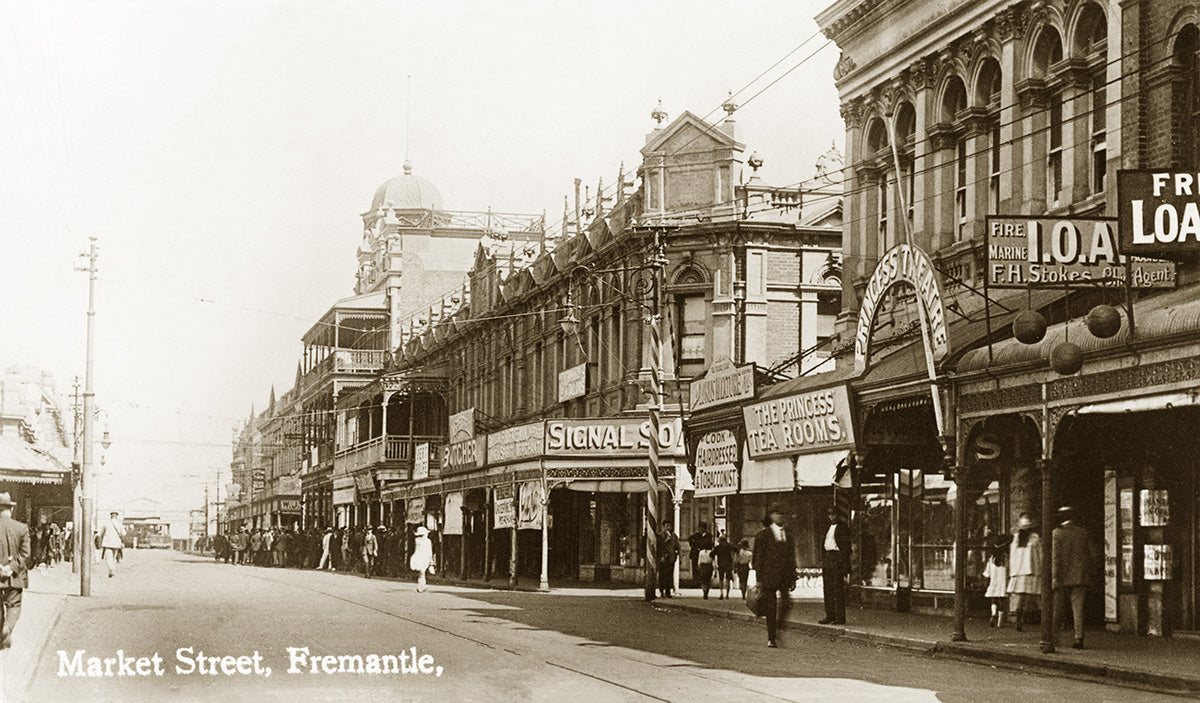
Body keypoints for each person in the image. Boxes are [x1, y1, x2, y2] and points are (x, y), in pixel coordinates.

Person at [753, 503, 797, 648]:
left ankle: (779, 626)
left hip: (784, 577)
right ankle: (771, 637)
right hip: (768, 578)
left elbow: (791, 558)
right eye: (777, 513)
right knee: (771, 608)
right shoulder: (763, 535)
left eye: (782, 514)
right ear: (771, 515)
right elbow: (758, 559)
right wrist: (759, 580)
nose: (780, 516)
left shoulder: (788, 535)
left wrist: (793, 577)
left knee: (788, 602)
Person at [1052, 505, 1096, 649]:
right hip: (1080, 576)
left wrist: (1054, 576)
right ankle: (1079, 638)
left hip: (1061, 577)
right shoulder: (1083, 532)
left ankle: (1054, 638)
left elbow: (1055, 557)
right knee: (1078, 608)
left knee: (1058, 608)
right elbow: (1092, 554)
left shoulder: (1057, 534)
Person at [0, 493, 30, 649]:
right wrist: (10, 569)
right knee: (14, 605)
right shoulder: (21, 527)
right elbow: (26, 554)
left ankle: (1, 633)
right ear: (10, 509)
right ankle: (7, 629)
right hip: (15, 577)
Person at [1007, 512, 1042, 631]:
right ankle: (1046, 621)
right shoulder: (1035, 538)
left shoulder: (1016, 539)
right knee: (1039, 597)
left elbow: (1013, 556)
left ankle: (1019, 620)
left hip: (1019, 572)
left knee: (1021, 599)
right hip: (1033, 570)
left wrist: (1013, 572)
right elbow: (1040, 555)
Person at [819, 506, 851, 625]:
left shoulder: (843, 528)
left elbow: (846, 547)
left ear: (838, 515)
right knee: (828, 589)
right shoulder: (827, 527)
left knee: (838, 590)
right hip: (828, 559)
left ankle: (840, 617)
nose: (832, 516)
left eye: (834, 514)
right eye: (830, 514)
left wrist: (842, 562)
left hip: (837, 558)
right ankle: (829, 615)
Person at [984, 534, 1010, 627]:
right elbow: (1009, 571)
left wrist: (987, 581)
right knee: (1002, 601)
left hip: (994, 582)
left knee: (994, 600)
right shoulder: (1006, 558)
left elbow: (987, 573)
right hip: (1004, 583)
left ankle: (993, 613)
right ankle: (1000, 622)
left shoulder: (992, 558)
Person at [686, 522, 714, 592]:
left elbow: (710, 544)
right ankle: (696, 582)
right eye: (699, 528)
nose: (699, 529)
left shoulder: (709, 536)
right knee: (695, 568)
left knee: (703, 571)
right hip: (695, 555)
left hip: (704, 555)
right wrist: (692, 546)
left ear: (704, 529)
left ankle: (703, 583)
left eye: (701, 528)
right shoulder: (696, 535)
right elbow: (689, 539)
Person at [98, 511, 125, 578]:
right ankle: (112, 570)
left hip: (107, 543)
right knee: (114, 557)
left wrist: (101, 538)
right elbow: (124, 533)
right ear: (116, 516)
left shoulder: (106, 523)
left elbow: (101, 533)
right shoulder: (119, 523)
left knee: (109, 557)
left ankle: (111, 569)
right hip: (116, 543)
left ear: (111, 516)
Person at [656, 526, 679, 598]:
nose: (668, 528)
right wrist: (666, 540)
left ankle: (668, 592)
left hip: (671, 558)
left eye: (670, 526)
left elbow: (677, 545)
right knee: (662, 575)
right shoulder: (660, 536)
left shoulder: (674, 536)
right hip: (663, 558)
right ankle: (661, 590)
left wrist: (678, 555)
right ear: (663, 526)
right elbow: (659, 546)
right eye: (666, 526)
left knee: (669, 575)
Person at [410, 526, 434, 592]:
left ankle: (422, 585)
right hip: (424, 557)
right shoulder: (427, 541)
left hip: (420, 557)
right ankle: (422, 585)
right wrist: (430, 559)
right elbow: (429, 551)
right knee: (422, 572)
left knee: (422, 572)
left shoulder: (417, 540)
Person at [711, 534, 735, 600]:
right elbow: (736, 549)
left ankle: (721, 593)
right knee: (728, 580)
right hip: (728, 564)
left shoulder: (718, 547)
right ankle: (727, 594)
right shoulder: (729, 546)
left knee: (721, 580)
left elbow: (711, 554)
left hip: (721, 564)